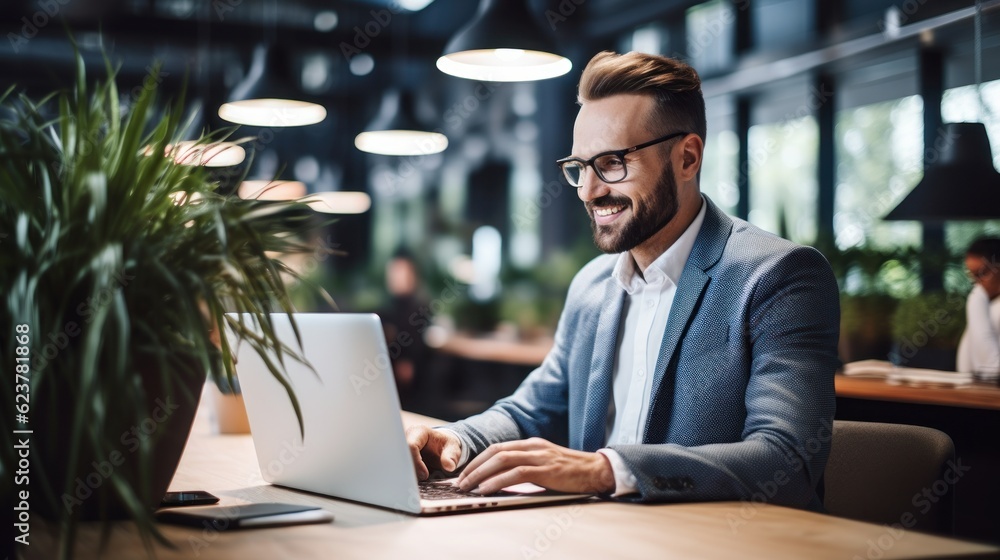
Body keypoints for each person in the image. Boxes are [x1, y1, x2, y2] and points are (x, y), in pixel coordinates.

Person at [406, 51, 840, 509]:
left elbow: (788, 460)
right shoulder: (593, 286)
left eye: (612, 162)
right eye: (580, 167)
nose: (590, 191)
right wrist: (452, 439)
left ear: (687, 158)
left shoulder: (781, 276)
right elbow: (534, 410)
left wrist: (606, 470)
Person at [957, 237, 1000, 381]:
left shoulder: (980, 302)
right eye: (972, 275)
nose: (977, 282)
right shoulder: (987, 302)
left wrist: (976, 305)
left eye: (982, 273)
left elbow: (991, 369)